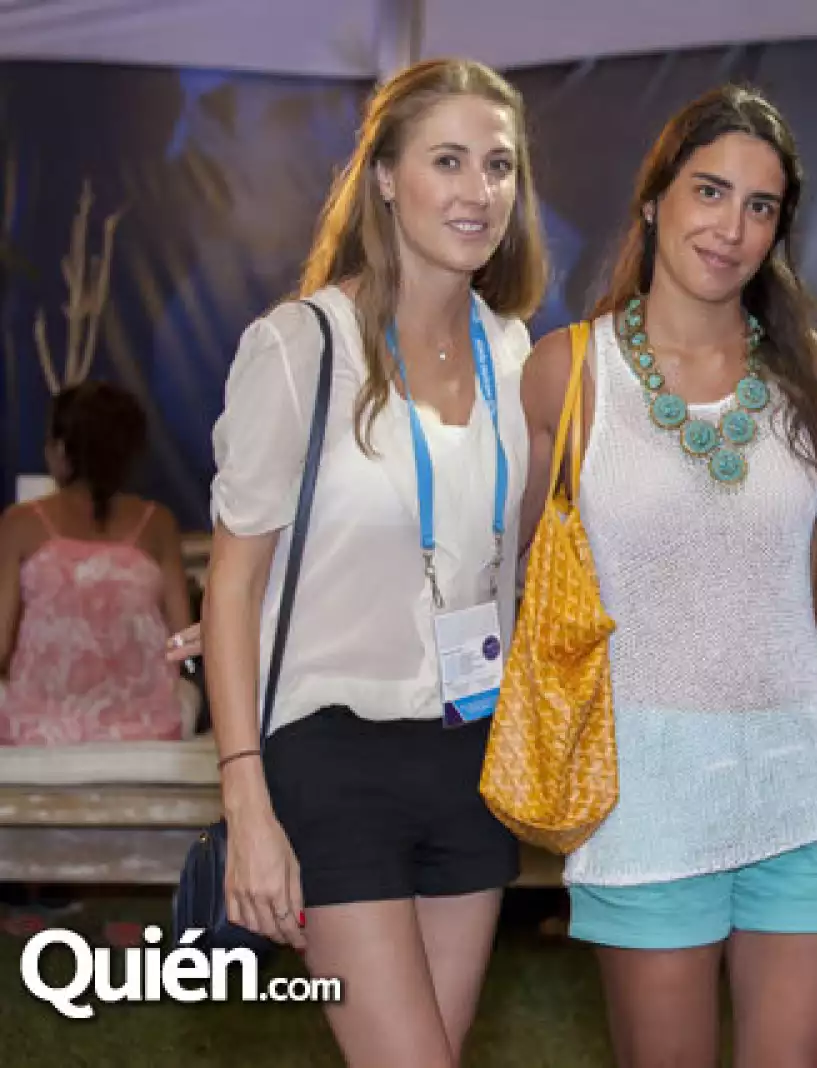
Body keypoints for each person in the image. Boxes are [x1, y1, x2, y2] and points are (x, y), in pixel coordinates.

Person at [518, 85, 817, 1068]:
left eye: (761, 207)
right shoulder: (567, 373)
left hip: (803, 786)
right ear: (653, 201)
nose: (732, 226)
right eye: (710, 191)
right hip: (642, 789)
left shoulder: (809, 382)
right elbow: (513, 567)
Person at [204, 57, 546, 1067]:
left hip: (473, 757)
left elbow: (512, 558)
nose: (478, 191)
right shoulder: (298, 347)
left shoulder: (518, 355)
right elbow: (231, 587)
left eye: (499, 165)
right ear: (387, 178)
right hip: (331, 753)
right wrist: (247, 802)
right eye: (448, 160)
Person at [0, 381, 194, 746]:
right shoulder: (158, 523)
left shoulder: (19, 523)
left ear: (59, 450)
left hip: (36, 732)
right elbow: (184, 640)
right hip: (148, 731)